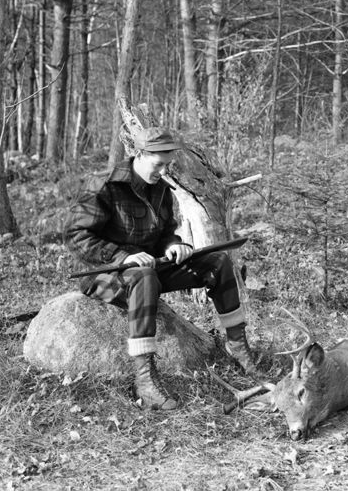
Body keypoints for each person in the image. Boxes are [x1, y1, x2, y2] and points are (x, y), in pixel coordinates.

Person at [65, 126, 260, 410]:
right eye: (158, 164)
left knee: (219, 262)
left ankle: (238, 347)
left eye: (167, 164)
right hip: (103, 272)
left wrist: (173, 245)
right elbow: (75, 237)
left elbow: (167, 231)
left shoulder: (161, 190)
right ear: (139, 154)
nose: (163, 170)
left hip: (150, 268)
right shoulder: (103, 185)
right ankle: (145, 380)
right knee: (143, 276)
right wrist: (122, 256)